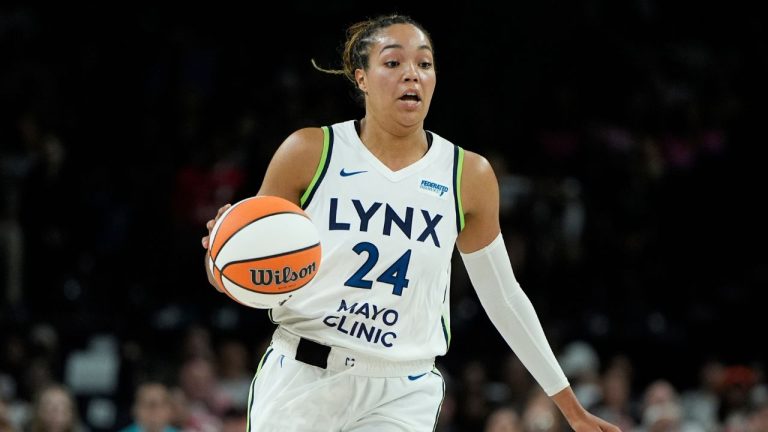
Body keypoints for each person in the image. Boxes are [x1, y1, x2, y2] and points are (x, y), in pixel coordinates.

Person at [201, 13, 622, 432]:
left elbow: (504, 298)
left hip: (402, 390)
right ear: (360, 77)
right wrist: (222, 255)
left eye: (424, 64)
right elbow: (246, 266)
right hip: (302, 376)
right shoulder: (310, 151)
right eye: (393, 63)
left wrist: (570, 407)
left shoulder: (467, 175)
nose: (412, 75)